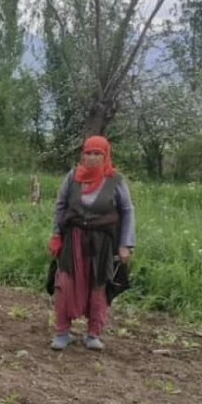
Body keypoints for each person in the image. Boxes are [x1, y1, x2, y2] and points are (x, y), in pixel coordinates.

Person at [49, 136, 136, 351]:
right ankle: (62, 332)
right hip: (74, 239)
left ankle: (93, 334)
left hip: (102, 242)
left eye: (98, 153)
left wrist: (126, 245)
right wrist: (56, 235)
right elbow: (61, 206)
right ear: (83, 155)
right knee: (66, 284)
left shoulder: (115, 180)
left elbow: (127, 210)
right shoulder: (73, 177)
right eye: (88, 153)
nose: (92, 157)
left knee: (99, 285)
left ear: (106, 156)